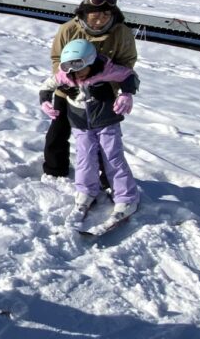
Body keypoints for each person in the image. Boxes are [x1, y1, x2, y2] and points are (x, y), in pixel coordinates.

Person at [42, 0, 138, 181]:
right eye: (96, 13)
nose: (101, 19)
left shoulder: (121, 32)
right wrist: (68, 82)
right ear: (86, 10)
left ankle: (108, 178)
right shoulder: (68, 29)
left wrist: (123, 91)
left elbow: (126, 63)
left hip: (101, 96)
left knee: (105, 140)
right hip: (68, 91)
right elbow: (57, 59)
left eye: (106, 14)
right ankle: (55, 171)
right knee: (58, 132)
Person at [40, 38, 141, 224]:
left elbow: (129, 75)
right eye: (70, 69)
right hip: (80, 123)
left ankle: (126, 198)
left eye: (80, 68)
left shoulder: (106, 69)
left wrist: (126, 94)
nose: (75, 74)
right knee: (85, 157)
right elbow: (47, 86)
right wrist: (45, 101)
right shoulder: (66, 75)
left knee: (112, 157)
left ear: (91, 62)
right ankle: (86, 191)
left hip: (106, 121)